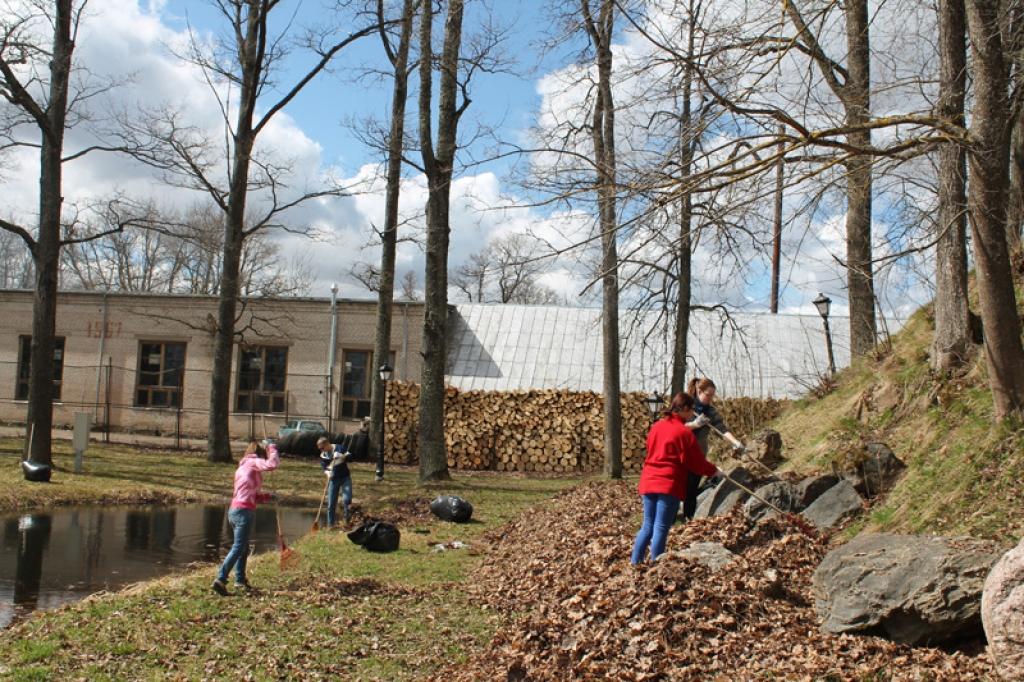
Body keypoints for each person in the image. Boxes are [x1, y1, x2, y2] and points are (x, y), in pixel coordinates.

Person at [631, 392, 720, 564]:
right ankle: (656, 564)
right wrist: (714, 471)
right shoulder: (683, 434)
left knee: (648, 524)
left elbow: (650, 447)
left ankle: (635, 562)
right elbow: (695, 462)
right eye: (691, 409)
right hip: (668, 484)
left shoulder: (657, 426)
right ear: (685, 409)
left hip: (649, 480)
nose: (693, 413)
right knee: (661, 526)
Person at [213, 439, 279, 596]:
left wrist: (267, 497)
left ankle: (240, 580)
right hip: (243, 512)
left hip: (235, 510)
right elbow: (272, 464)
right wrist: (272, 447)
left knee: (243, 548)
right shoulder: (253, 462)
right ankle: (220, 579)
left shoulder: (243, 467)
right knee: (238, 547)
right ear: (259, 454)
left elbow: (251, 494)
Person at [681, 377, 746, 521]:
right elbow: (675, 427)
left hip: (698, 456)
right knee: (679, 488)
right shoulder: (686, 407)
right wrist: (694, 424)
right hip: (681, 454)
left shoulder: (710, 412)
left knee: (691, 491)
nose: (710, 398)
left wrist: (735, 442)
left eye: (712, 395)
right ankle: (671, 517)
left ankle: (688, 519)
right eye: (707, 395)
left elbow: (722, 430)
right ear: (699, 391)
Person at [317, 436, 353, 528]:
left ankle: (346, 522)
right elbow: (324, 468)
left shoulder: (339, 448)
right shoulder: (323, 456)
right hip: (333, 480)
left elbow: (351, 458)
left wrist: (342, 456)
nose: (321, 450)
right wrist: (328, 473)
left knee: (347, 500)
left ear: (327, 444)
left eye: (322, 448)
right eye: (320, 449)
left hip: (345, 478)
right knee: (331, 504)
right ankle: (331, 525)